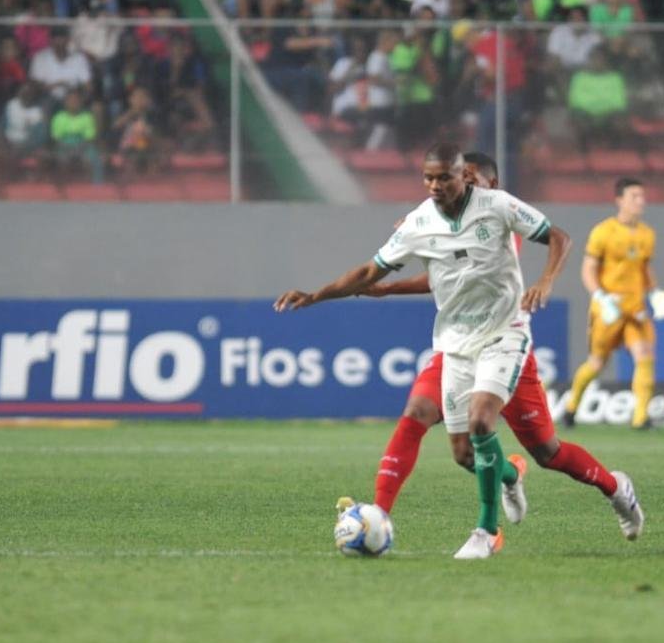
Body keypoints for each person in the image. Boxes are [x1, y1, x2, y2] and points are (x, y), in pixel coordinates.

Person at [274, 142, 645, 560]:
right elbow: (378, 271)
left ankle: (488, 531)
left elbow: (558, 237)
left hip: (505, 334)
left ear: (465, 178)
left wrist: (545, 281)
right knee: (468, 450)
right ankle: (511, 474)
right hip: (455, 345)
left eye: (445, 177)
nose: (435, 185)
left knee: (491, 424)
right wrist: (317, 295)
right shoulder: (419, 222)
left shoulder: (498, 208)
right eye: (428, 178)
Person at [562, 178, 664, 432]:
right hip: (609, 308)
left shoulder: (647, 234)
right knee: (597, 363)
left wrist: (655, 293)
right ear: (619, 200)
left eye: (642, 196)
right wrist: (600, 297)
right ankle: (571, 407)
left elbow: (644, 268)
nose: (640, 201)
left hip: (636, 307)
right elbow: (588, 269)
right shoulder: (604, 232)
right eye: (634, 196)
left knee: (644, 355)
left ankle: (640, 418)